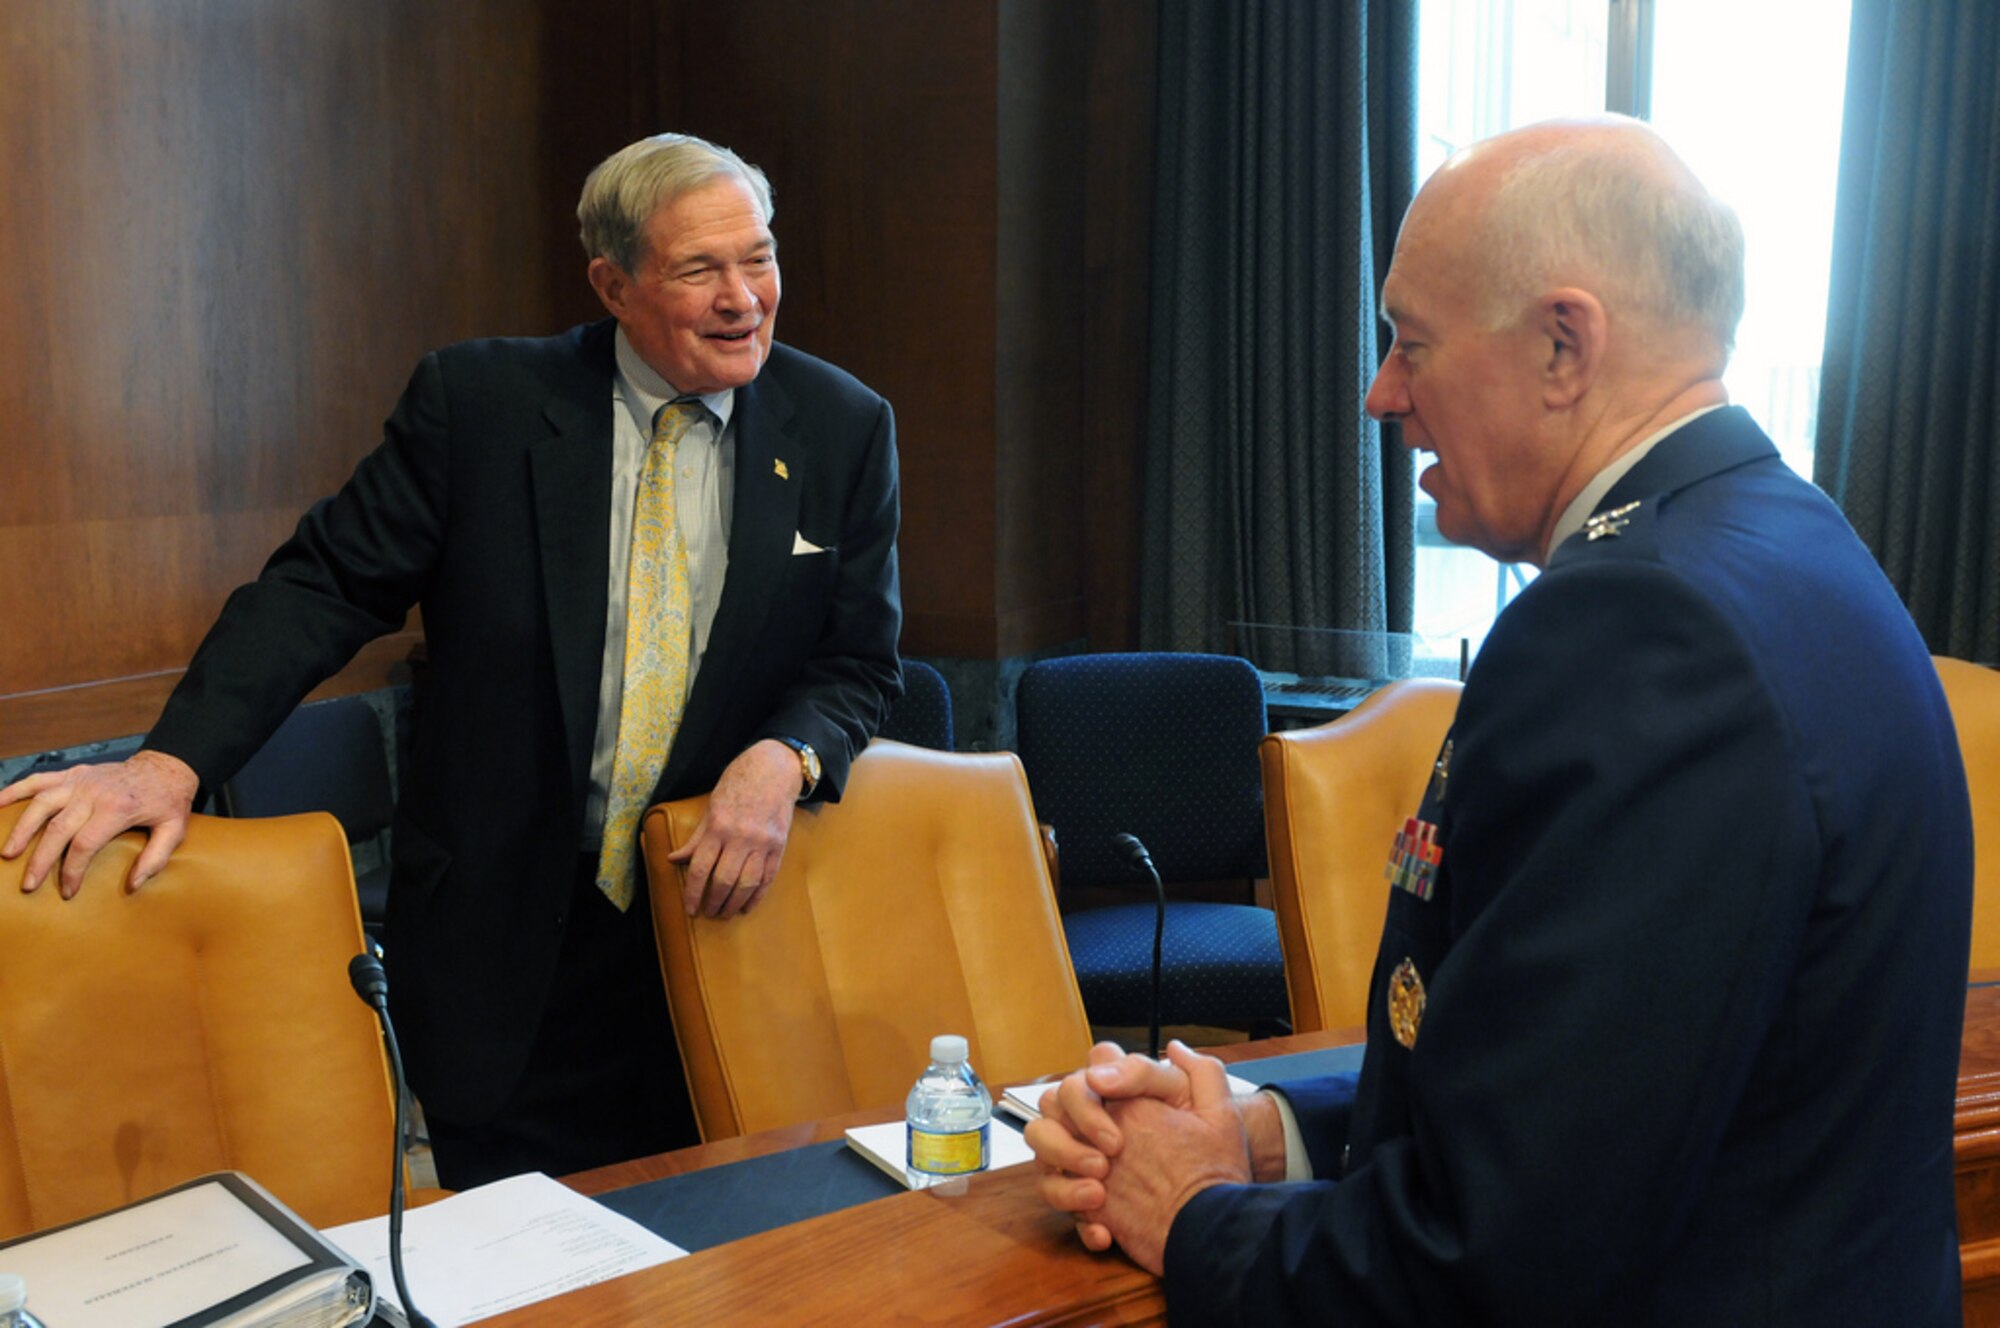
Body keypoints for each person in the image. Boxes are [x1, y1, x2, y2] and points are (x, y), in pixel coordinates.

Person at [1027, 116, 1972, 1325]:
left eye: (1410, 343)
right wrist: (1273, 1130)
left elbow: (1497, 1262)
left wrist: (1198, 1211)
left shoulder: (1636, 626)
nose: (1380, 395)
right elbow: (1586, 1078)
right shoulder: (1787, 544)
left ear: (1562, 346)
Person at [0, 132, 902, 1188]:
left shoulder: (841, 426)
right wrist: (170, 762)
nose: (742, 296)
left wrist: (780, 758)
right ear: (612, 283)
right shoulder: (479, 405)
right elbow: (320, 585)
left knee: (725, 1247)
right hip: (505, 942)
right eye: (699, 268)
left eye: (758, 256)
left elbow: (854, 663)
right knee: (518, 1259)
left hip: (722, 929)